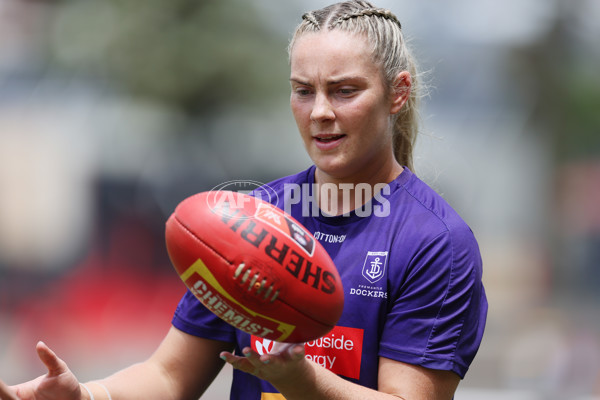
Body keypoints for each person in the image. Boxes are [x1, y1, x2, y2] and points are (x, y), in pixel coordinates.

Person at [0, 1, 487, 399]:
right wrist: (87, 397)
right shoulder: (252, 221)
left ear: (397, 93)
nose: (319, 111)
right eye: (303, 90)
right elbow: (171, 375)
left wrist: (302, 380)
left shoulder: (434, 242)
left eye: (344, 91)